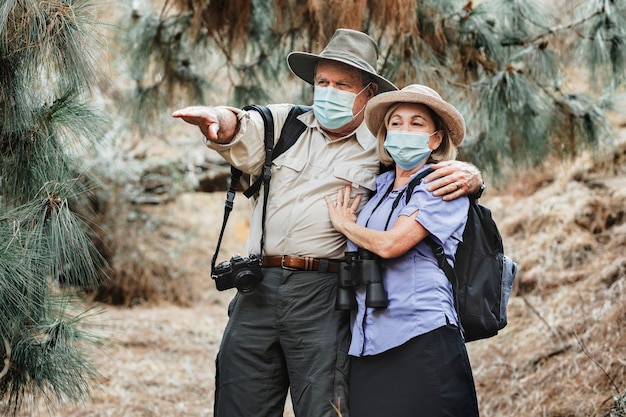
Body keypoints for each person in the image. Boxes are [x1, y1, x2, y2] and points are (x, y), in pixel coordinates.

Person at [172, 29, 483, 417]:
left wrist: (472, 176)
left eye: (342, 84)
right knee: (238, 399)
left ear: (367, 94)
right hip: (258, 288)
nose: (328, 91)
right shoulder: (285, 125)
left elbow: (425, 166)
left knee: (324, 406)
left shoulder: (382, 146)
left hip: (325, 291)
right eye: (322, 82)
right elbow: (239, 123)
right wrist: (217, 117)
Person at [325, 84, 480, 417]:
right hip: (368, 342)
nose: (403, 130)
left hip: (421, 334)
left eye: (416, 123)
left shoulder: (441, 184)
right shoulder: (379, 188)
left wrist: (345, 225)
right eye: (396, 123)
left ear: (436, 139)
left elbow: (392, 245)